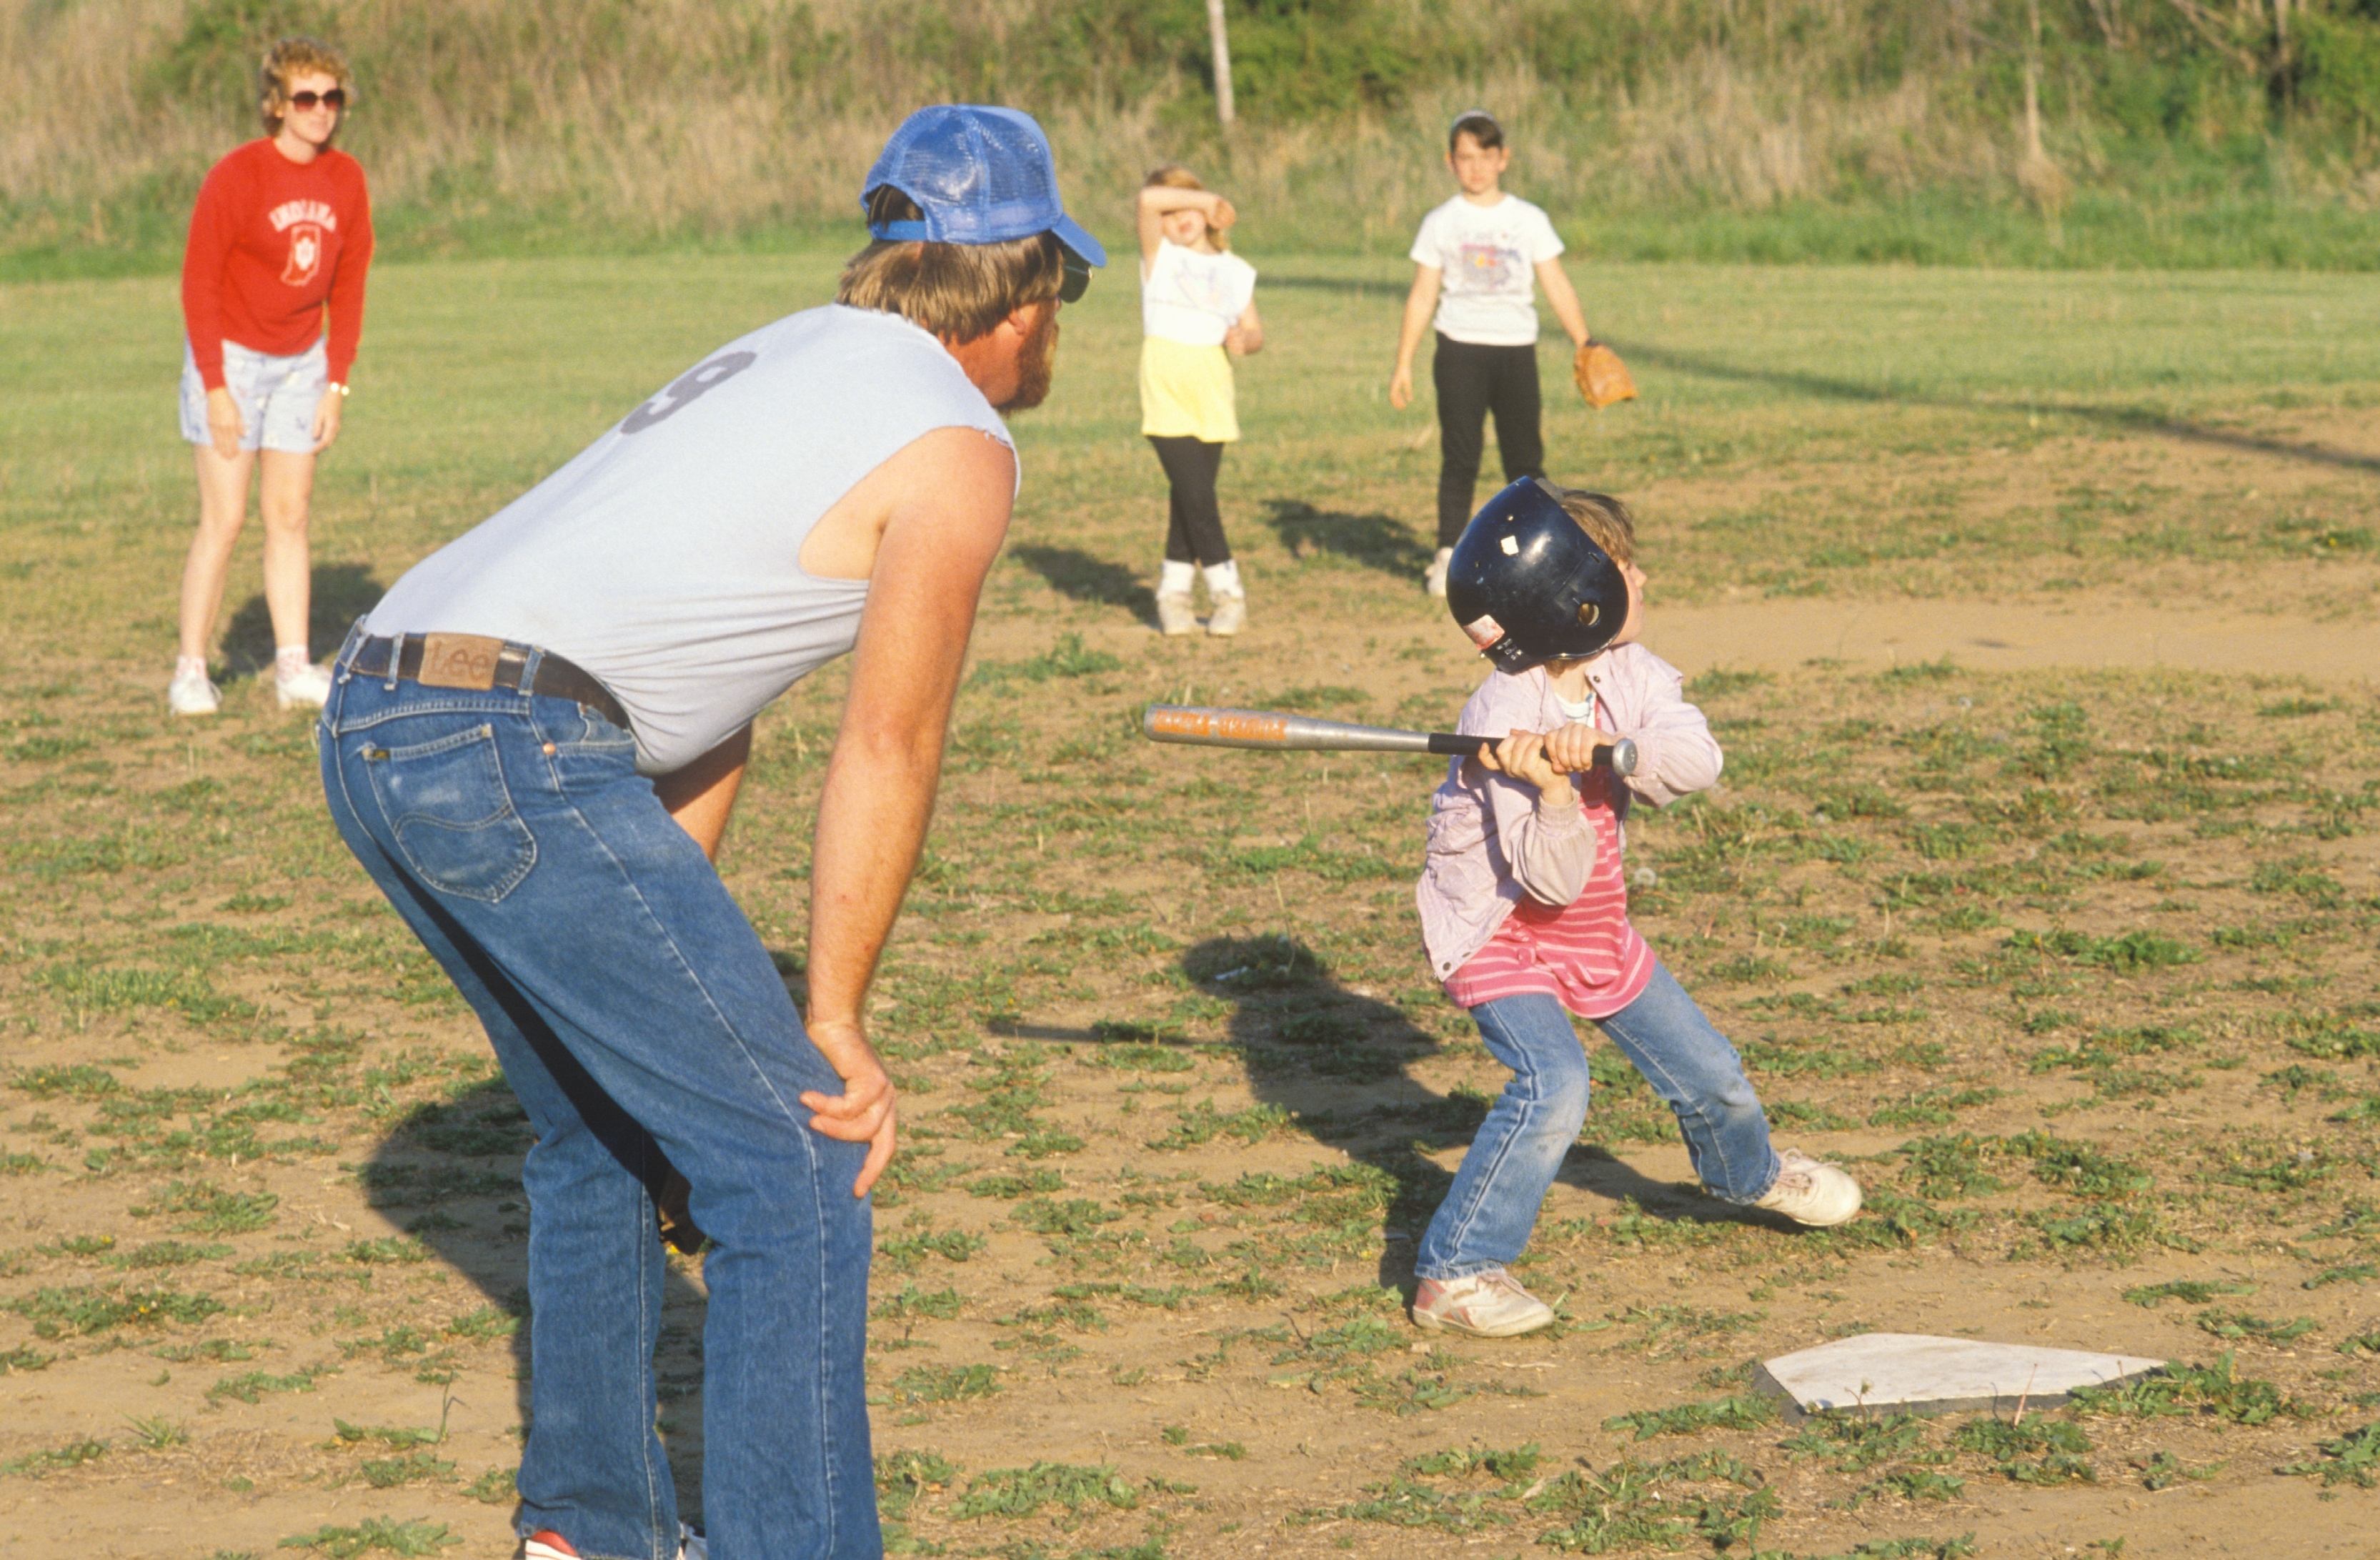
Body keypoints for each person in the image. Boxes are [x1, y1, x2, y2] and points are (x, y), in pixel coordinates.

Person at [316, 105, 1102, 1559]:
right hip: (509, 738)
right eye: (1069, 294)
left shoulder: (796, 353)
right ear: (1021, 292)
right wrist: (833, 1018)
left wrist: (684, 994)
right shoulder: (957, 444)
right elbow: (892, 740)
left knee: (604, 1134)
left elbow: (695, 700)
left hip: (377, 706)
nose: (1063, 333)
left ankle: (592, 1528)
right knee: (797, 1167)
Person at [1410, 478, 1861, 1338]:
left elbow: (1696, 759)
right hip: (1501, 936)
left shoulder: (1630, 672)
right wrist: (1548, 790)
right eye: (1622, 565)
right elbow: (1549, 883)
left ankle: (1748, 1172)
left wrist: (1620, 751)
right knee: (1554, 1084)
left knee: (1712, 1074)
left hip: (1592, 931)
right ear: (1570, 596)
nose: (1642, 576)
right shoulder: (1505, 711)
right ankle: (1457, 1271)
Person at [171, 36, 374, 716]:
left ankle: (294, 665)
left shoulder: (346, 180)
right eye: (307, 98)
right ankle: (192, 669)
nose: (322, 111)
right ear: (277, 105)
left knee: (289, 516)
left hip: (302, 364)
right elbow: (199, 284)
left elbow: (348, 289)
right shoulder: (237, 175)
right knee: (224, 519)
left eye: (332, 97)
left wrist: (335, 385)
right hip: (230, 360)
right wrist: (217, 387)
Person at [1388, 110, 1591, 599]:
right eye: (1465, 157)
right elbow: (1421, 295)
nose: (1475, 167)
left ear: (1503, 159)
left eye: (1485, 155)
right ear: (1450, 162)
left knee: (1524, 458)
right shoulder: (1440, 222)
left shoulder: (1528, 219)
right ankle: (1446, 556)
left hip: (1514, 348)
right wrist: (1403, 362)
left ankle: (1548, 550)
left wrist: (1584, 341)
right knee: (1461, 454)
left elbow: (1556, 282)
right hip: (1458, 347)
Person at [1136, 165, 1263, 637]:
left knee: (1189, 497)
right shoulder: (1159, 258)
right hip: (1165, 386)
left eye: (1186, 206)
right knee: (1196, 494)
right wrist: (1209, 201)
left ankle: (1172, 593)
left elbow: (1255, 331)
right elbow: (1147, 200)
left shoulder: (1234, 271)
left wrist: (1244, 340)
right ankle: (1228, 591)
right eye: (1170, 212)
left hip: (1211, 389)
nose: (1177, 218)